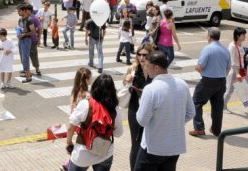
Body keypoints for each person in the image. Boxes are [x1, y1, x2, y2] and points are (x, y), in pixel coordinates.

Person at [134, 51, 195, 171]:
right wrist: (173, 122)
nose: (145, 68)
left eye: (147, 65)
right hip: (174, 147)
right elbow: (191, 112)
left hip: (153, 148)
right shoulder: (182, 84)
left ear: (156, 68)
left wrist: (140, 104)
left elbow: (141, 120)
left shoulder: (150, 89)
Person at [66, 74, 124, 171]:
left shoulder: (85, 104)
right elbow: (118, 133)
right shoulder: (115, 110)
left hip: (82, 154)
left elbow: (70, 128)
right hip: (105, 154)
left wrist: (69, 142)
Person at [189, 27, 231, 137]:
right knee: (217, 107)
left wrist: (197, 68)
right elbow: (228, 68)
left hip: (208, 81)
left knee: (196, 102)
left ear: (209, 36)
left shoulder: (208, 49)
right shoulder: (225, 49)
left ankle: (199, 128)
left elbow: (200, 66)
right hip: (221, 81)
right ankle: (216, 130)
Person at [124, 42, 154, 171]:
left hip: (151, 111)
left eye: (145, 55)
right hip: (135, 109)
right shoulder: (133, 68)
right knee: (136, 144)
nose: (141, 58)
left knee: (149, 142)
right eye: (139, 55)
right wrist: (127, 79)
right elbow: (124, 83)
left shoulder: (155, 69)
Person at [224, 27, 248, 117]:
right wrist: (237, 74)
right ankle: (223, 106)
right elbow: (232, 61)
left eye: (245, 34)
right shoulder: (232, 46)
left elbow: (239, 58)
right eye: (243, 35)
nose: (245, 36)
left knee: (246, 89)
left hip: (241, 71)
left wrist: (246, 58)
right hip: (235, 72)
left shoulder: (240, 45)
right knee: (233, 90)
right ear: (238, 36)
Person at [61, 67, 92, 171]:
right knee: (83, 149)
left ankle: (67, 164)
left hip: (75, 123)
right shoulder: (87, 95)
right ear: (87, 79)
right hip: (83, 125)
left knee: (79, 148)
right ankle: (69, 165)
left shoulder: (74, 91)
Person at [17, 4, 34, 83]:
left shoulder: (29, 20)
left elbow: (33, 32)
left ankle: (28, 78)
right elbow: (19, 29)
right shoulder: (20, 20)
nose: (18, 13)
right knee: (22, 58)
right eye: (18, 11)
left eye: (19, 11)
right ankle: (28, 73)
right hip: (20, 40)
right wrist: (18, 33)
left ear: (24, 11)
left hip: (26, 40)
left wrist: (24, 34)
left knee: (25, 58)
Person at [28, 5, 42, 76]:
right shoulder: (24, 18)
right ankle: (27, 70)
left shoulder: (35, 18)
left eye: (25, 10)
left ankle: (37, 69)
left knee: (34, 55)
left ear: (29, 11)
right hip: (25, 40)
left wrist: (39, 39)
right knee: (26, 56)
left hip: (33, 40)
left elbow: (40, 29)